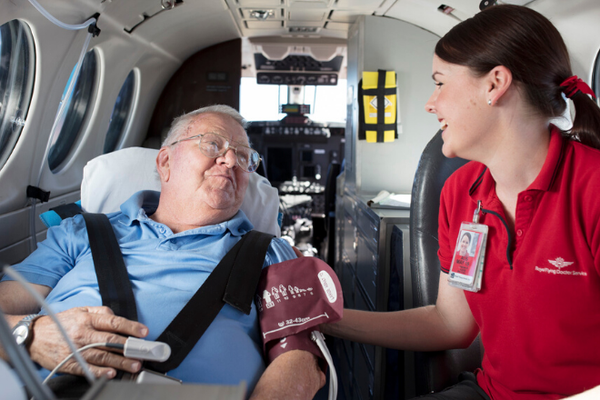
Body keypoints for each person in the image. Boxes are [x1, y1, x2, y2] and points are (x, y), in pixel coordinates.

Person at [322, 4, 600, 399]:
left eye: (440, 83)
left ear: (494, 84)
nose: (431, 103)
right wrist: (325, 319)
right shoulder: (460, 192)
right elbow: (450, 323)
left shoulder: (592, 189)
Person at [0, 105, 325, 399]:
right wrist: (28, 334)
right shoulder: (80, 232)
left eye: (243, 156)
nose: (230, 161)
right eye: (213, 145)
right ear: (165, 162)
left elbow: (301, 361)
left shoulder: (271, 253)